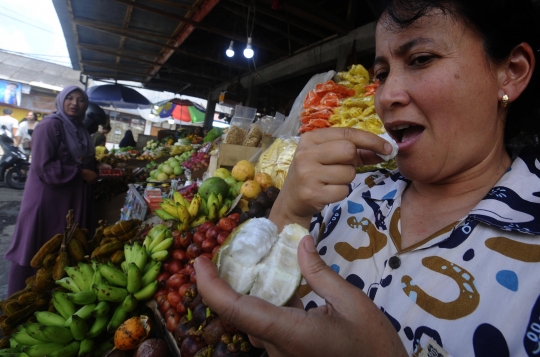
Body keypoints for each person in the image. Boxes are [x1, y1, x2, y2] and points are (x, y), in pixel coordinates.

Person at [194, 0, 540, 356]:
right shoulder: (350, 195)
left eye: (421, 59)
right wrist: (289, 209)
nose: (386, 96)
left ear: (511, 72)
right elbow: (263, 326)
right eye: (382, 74)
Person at [5, 86, 99, 296]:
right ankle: (25, 299)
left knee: (63, 249)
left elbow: (83, 158)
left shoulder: (81, 129)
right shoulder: (49, 126)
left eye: (81, 100)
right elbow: (43, 166)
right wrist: (81, 173)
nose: (75, 103)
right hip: (47, 200)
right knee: (41, 247)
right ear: (61, 101)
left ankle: (52, 299)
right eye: (70, 98)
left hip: (70, 197)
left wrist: (96, 168)